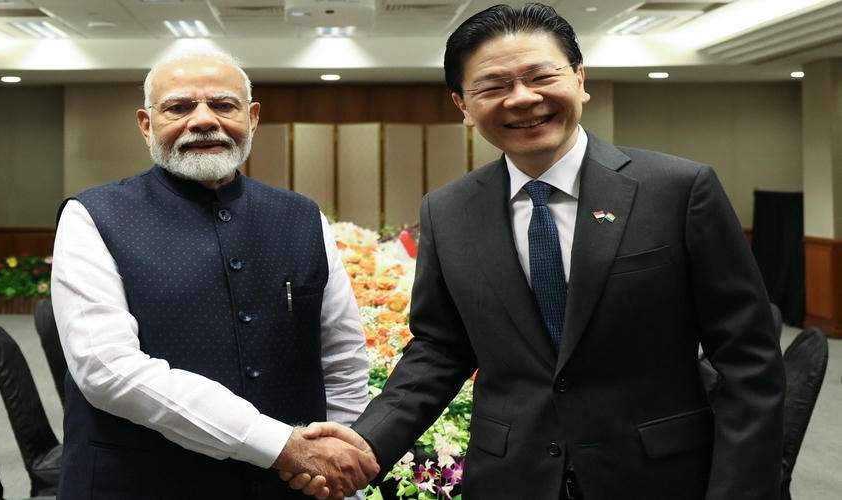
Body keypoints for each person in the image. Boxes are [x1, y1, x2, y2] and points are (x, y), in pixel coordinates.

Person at [292, 3, 785, 499]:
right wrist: (367, 442)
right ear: (463, 106)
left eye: (540, 76)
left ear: (579, 79)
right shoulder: (448, 210)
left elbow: (749, 357)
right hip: (512, 478)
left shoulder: (677, 190)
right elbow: (440, 349)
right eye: (493, 86)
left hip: (661, 476)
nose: (522, 98)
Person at [51, 47, 378, 499]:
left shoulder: (302, 217)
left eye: (224, 105)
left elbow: (342, 358)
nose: (204, 120)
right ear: (146, 124)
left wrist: (337, 460)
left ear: (252, 117)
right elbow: (107, 368)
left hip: (290, 487)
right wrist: (278, 444)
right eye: (179, 107)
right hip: (140, 482)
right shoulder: (92, 216)